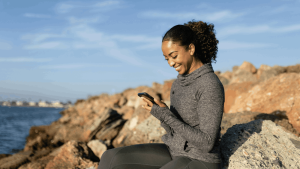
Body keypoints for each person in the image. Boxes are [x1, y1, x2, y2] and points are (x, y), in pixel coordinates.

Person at [98, 20, 224, 169]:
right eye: (167, 59)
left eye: (174, 56)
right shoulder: (178, 83)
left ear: (190, 48)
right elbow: (175, 129)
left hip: (201, 159)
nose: (171, 63)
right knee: (110, 157)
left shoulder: (209, 84)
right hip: (174, 151)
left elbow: (206, 143)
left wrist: (166, 116)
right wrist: (161, 113)